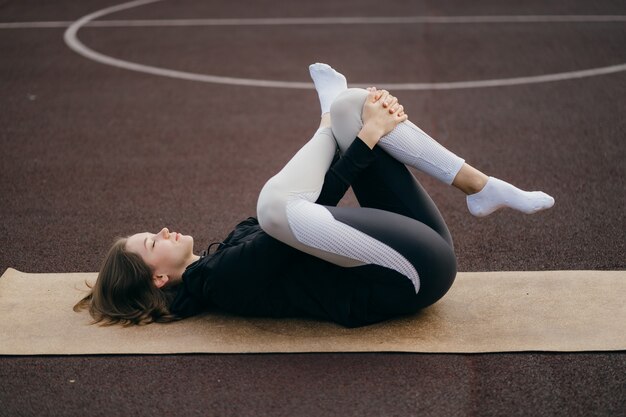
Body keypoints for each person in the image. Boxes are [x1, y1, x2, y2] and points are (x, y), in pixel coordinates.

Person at [74, 63, 554, 328]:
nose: (161, 230)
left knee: (351, 107)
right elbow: (300, 218)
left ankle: (480, 186)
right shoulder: (220, 281)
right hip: (414, 278)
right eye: (152, 242)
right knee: (274, 209)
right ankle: (327, 118)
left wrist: (362, 130)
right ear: (159, 278)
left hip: (418, 249)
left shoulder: (222, 257)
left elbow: (312, 211)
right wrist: (367, 138)